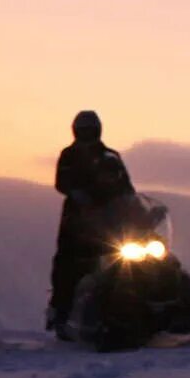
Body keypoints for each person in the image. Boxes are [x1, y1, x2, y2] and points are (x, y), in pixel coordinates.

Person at [50, 110, 116, 329]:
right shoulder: (69, 156)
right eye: (83, 131)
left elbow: (126, 186)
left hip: (110, 220)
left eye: (91, 131)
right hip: (77, 221)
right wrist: (77, 193)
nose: (87, 135)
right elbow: (61, 182)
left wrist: (141, 210)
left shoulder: (111, 157)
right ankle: (61, 309)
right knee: (67, 263)